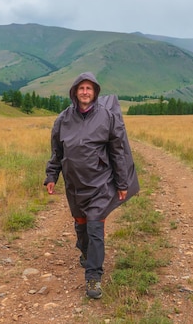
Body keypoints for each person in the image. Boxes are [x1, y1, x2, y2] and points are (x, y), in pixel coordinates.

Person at [44, 72, 140, 299]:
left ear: (95, 92)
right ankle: (85, 251)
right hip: (74, 185)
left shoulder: (107, 117)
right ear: (75, 92)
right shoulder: (63, 120)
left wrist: (122, 182)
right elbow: (57, 153)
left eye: (89, 88)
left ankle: (93, 278)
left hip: (100, 184)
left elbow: (118, 152)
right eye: (81, 88)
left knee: (95, 227)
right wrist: (51, 176)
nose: (85, 92)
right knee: (81, 224)